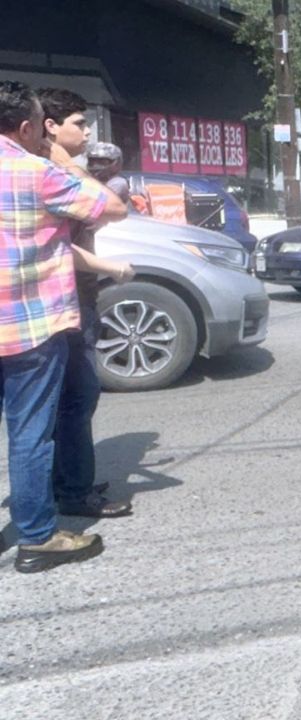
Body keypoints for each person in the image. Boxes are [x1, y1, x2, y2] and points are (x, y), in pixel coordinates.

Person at [0, 81, 129, 573]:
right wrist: (62, 159)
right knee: (30, 434)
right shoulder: (39, 173)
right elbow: (113, 207)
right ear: (28, 127)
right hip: (30, 328)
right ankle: (37, 538)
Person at [37, 88, 135, 527]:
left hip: (77, 296)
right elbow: (111, 208)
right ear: (50, 126)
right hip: (68, 299)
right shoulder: (49, 172)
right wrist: (110, 268)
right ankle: (72, 492)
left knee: (71, 399)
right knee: (78, 396)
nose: (89, 132)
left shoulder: (58, 170)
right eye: (79, 123)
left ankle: (67, 483)